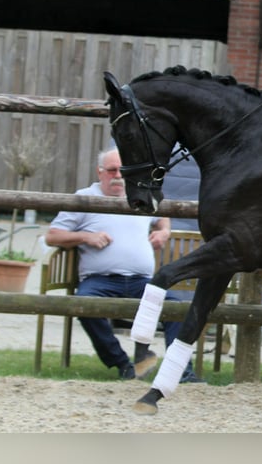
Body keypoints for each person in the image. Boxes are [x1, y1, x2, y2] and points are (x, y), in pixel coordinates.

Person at [45, 148, 202, 382]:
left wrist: (164, 231)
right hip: (100, 281)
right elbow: (52, 236)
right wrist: (86, 237)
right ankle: (122, 364)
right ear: (100, 173)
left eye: (123, 170)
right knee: (83, 305)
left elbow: (162, 215)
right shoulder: (84, 197)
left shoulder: (140, 195)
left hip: (142, 281)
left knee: (177, 310)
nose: (118, 175)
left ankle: (181, 371)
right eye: (111, 170)